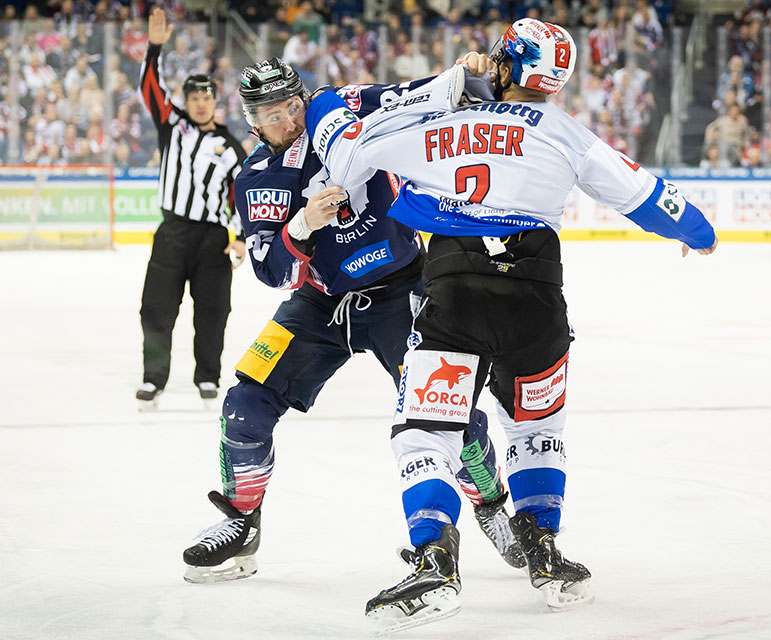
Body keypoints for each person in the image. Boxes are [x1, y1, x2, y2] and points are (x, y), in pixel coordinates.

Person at [305, 18, 718, 632]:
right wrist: (697, 233)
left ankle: (434, 562)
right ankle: (545, 556)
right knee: (536, 424)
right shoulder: (567, 133)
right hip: (537, 300)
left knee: (427, 432)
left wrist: (439, 88)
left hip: (454, 295)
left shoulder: (439, 124)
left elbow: (343, 143)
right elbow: (646, 194)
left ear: (501, 63)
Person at [179, 58, 524, 585]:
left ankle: (491, 504)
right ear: (252, 120)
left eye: (292, 107)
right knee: (243, 405)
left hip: (403, 291)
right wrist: (301, 224)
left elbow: (417, 94)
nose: (289, 121)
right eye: (273, 115)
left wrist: (464, 73)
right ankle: (242, 521)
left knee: (449, 412)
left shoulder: (339, 107)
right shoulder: (254, 178)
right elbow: (271, 272)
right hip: (320, 305)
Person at [136, 7, 247, 410]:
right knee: (156, 309)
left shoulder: (231, 147)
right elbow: (149, 88)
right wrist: (154, 49)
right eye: (193, 98)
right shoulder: (173, 126)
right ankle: (154, 378)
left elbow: (243, 199)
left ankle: (207, 376)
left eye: (206, 97)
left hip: (213, 240)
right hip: (173, 234)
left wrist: (240, 239)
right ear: (185, 102)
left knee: (213, 311)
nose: (200, 104)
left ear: (216, 101)